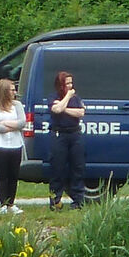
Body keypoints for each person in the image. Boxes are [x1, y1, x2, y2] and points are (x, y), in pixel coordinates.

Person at [0, 79, 27, 214]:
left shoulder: (17, 105)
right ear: (4, 91)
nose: (14, 92)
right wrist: (13, 125)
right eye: (12, 90)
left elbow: (22, 122)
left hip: (16, 145)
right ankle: (3, 204)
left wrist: (6, 123)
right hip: (0, 146)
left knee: (13, 176)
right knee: (2, 176)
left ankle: (11, 203)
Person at [48, 71, 86, 210]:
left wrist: (65, 108)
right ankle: (55, 202)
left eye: (71, 83)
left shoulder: (76, 98)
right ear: (60, 85)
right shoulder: (53, 97)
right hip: (59, 135)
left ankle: (78, 201)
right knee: (57, 168)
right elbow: (56, 109)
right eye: (67, 83)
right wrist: (67, 98)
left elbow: (81, 112)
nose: (70, 86)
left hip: (75, 135)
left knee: (78, 168)